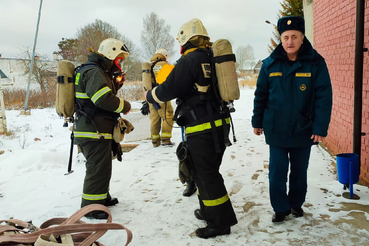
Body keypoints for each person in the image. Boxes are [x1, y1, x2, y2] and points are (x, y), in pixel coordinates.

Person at [146, 18, 237, 238]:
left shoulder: (190, 60)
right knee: (205, 171)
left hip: (202, 127)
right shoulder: (211, 56)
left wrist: (150, 95)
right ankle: (208, 211)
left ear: (185, 40)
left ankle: (220, 223)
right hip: (218, 124)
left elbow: (169, 88)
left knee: (207, 175)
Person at [252, 16, 332, 223]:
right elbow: (261, 94)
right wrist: (257, 121)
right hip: (276, 127)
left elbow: (324, 97)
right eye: (285, 37)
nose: (290, 41)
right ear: (281, 39)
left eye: (294, 36)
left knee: (299, 171)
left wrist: (320, 127)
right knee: (277, 172)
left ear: (302, 38)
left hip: (303, 127)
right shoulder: (270, 65)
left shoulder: (316, 63)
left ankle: (296, 204)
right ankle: (280, 208)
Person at [73, 38, 131, 219]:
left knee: (103, 167)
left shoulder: (97, 71)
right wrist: (125, 106)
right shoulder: (93, 71)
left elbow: (99, 96)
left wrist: (117, 84)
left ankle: (101, 198)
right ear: (110, 55)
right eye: (119, 59)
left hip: (95, 129)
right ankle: (91, 207)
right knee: (97, 168)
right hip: (92, 130)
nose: (120, 63)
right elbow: (102, 99)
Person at [147, 48, 175, 147]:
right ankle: (166, 140)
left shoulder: (148, 66)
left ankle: (155, 142)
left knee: (154, 118)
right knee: (168, 115)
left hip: (150, 97)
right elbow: (171, 80)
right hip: (161, 95)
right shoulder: (164, 65)